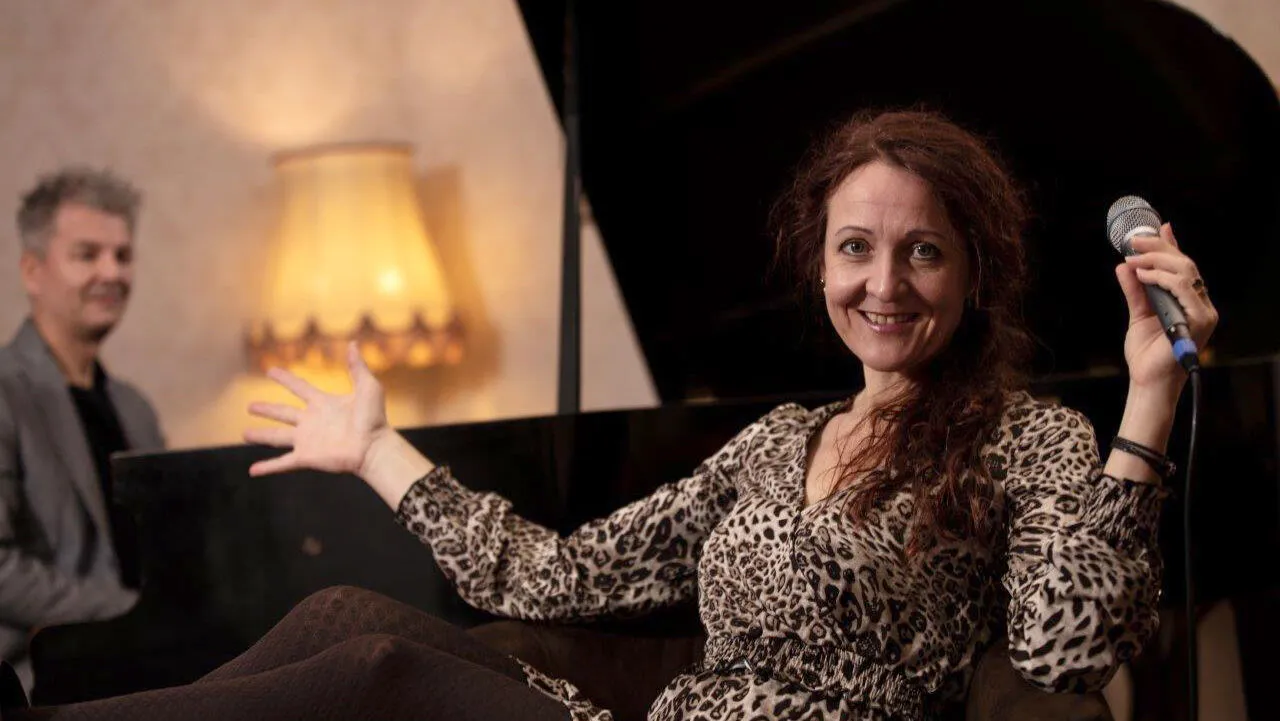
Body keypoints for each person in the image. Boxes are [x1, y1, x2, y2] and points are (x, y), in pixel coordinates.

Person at [5, 110, 1216, 720]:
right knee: (339, 614)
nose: (883, 284)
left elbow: (1063, 653)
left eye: (922, 251)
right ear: (818, 263)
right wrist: (373, 447)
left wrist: (1150, 395)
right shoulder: (774, 441)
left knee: (379, 669)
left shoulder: (1025, 437)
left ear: (971, 272)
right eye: (855, 247)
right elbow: (556, 573)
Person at [0, 168, 165, 693]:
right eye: (87, 254)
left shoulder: (135, 408)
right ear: (33, 271)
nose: (111, 272)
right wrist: (133, 612)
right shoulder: (5, 393)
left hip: (150, 662)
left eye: (123, 255)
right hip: (44, 678)